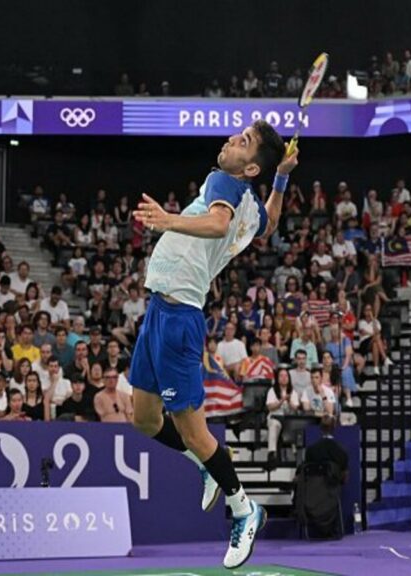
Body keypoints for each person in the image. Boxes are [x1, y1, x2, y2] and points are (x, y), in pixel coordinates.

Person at [129, 120, 297, 568]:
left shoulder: (224, 182)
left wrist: (168, 221)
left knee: (195, 433)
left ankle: (244, 509)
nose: (230, 141)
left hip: (179, 316)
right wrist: (282, 177)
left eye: (243, 142)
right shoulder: (252, 200)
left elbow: (219, 225)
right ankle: (206, 466)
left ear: (249, 170)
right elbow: (272, 222)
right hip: (158, 312)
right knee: (144, 420)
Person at [266, 368, 300, 466]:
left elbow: (295, 408)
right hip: (275, 417)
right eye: (281, 376)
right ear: (277, 378)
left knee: (295, 427)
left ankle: (296, 454)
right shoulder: (272, 390)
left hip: (289, 419)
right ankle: (272, 453)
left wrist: (289, 401)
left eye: (286, 376)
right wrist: (281, 400)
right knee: (274, 425)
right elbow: (270, 407)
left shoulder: (293, 392)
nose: (284, 378)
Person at [304, 415, 349, 485]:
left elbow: (306, 473)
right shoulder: (342, 452)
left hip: (313, 492)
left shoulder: (310, 450)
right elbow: (344, 479)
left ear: (320, 428)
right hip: (333, 493)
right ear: (334, 427)